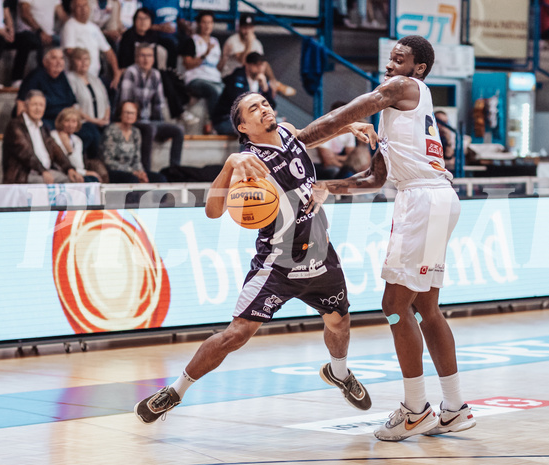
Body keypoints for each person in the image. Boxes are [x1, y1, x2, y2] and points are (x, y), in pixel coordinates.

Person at [133, 91, 374, 424]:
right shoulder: (248, 163)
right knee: (236, 334)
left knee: (340, 322)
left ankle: (339, 373)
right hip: (278, 263)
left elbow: (311, 136)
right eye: (253, 109)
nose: (263, 109)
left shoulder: (287, 131)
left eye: (264, 103)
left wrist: (349, 126)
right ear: (243, 127)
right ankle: (175, 391)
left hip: (320, 253)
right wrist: (230, 163)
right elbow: (212, 211)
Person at [296, 35, 475, 441]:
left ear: (419, 69)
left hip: (423, 201)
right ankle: (455, 407)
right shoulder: (400, 110)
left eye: (401, 59)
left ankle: (415, 408)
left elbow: (341, 117)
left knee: (394, 306)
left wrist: (289, 144)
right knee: (426, 308)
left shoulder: (400, 89)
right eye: (390, 58)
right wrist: (327, 186)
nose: (391, 64)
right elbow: (375, 178)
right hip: (435, 198)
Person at [17, 48, 102, 158]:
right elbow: (21, 103)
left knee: (91, 130)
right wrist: (21, 125)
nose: (59, 62)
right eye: (54, 58)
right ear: (45, 62)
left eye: (61, 58)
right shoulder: (35, 76)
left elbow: (72, 104)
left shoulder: (62, 77)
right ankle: (63, 160)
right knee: (50, 133)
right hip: (45, 120)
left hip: (64, 119)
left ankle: (88, 162)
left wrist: (73, 120)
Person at [117, 42, 184, 171]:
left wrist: (161, 125)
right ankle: (146, 170)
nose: (146, 59)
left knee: (178, 130)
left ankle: (175, 170)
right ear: (136, 58)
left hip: (150, 121)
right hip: (134, 121)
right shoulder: (130, 72)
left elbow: (158, 104)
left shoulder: (155, 74)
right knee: (149, 129)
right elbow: (126, 103)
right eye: (142, 55)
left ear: (153, 58)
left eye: (149, 56)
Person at [2, 90, 84, 184]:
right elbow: (26, 153)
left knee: (73, 179)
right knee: (47, 181)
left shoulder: (43, 127)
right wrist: (43, 171)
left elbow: (55, 149)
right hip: (23, 175)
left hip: (44, 171)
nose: (38, 108)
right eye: (34, 104)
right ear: (26, 106)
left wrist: (69, 168)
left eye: (41, 105)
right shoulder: (15, 125)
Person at [217, 13, 296, 97]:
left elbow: (262, 63)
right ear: (239, 27)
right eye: (244, 27)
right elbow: (243, 62)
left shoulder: (257, 43)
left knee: (263, 71)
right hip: (231, 77)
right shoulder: (233, 40)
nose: (247, 31)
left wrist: (272, 79)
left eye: (250, 27)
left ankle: (274, 83)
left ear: (253, 28)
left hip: (248, 76)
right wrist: (249, 43)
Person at [61, 0, 122, 89]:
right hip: (76, 79)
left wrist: (116, 73)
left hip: (94, 77)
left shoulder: (94, 27)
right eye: (79, 7)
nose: (83, 9)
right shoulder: (70, 26)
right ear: (73, 10)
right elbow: (69, 51)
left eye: (85, 6)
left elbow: (108, 51)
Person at [101, 100, 166, 183]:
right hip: (115, 171)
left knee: (160, 179)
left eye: (132, 113)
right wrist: (133, 172)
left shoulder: (136, 132)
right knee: (133, 179)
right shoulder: (111, 131)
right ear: (120, 113)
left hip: (133, 172)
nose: (129, 116)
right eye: (126, 112)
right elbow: (108, 161)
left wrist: (141, 173)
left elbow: (137, 159)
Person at [211, 51, 275, 136]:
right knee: (251, 129)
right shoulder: (236, 78)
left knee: (274, 124)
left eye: (261, 65)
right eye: (256, 64)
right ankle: (248, 150)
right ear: (247, 65)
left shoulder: (262, 81)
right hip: (225, 120)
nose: (259, 68)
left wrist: (265, 89)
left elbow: (272, 105)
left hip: (250, 120)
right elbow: (242, 105)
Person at [180, 10, 223, 133]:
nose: (207, 25)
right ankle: (212, 124)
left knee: (228, 92)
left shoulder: (215, 41)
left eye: (210, 22)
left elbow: (217, 65)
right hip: (196, 79)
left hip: (214, 78)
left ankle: (227, 122)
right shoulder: (192, 41)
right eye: (204, 22)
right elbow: (187, 64)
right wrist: (205, 55)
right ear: (199, 24)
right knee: (213, 91)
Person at [12, 0, 68, 89]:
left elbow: (61, 15)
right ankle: (17, 78)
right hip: (28, 32)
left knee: (65, 43)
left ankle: (63, 80)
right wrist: (40, 31)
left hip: (49, 34)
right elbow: (24, 13)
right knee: (32, 41)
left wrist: (74, 25)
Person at [66, 47, 111, 147]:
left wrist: (106, 118)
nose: (83, 62)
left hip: (101, 121)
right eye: (79, 59)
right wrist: (95, 121)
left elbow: (106, 101)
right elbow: (74, 106)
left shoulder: (94, 79)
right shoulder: (69, 79)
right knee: (94, 135)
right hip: (83, 122)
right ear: (73, 62)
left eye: (86, 59)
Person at [50, 106, 107, 182]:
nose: (70, 125)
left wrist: (69, 149)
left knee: (94, 179)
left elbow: (78, 165)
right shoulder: (53, 136)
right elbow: (57, 164)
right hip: (60, 172)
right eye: (67, 121)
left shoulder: (77, 140)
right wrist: (86, 172)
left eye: (74, 121)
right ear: (61, 122)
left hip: (76, 172)